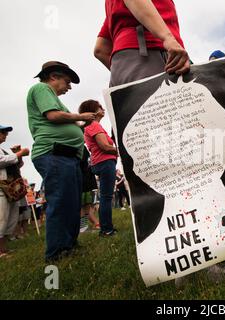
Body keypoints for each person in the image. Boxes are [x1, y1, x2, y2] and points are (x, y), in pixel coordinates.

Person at [26, 61, 97, 262]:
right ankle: (55, 253)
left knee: (72, 202)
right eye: (67, 82)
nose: (69, 87)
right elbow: (54, 116)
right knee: (60, 202)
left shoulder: (55, 97)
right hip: (53, 154)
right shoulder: (41, 88)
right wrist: (80, 116)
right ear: (53, 77)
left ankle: (69, 245)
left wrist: (81, 125)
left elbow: (66, 124)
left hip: (66, 156)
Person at [94, 0, 190, 88]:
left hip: (127, 64)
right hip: (148, 54)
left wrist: (126, 73)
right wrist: (168, 38)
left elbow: (100, 49)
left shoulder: (116, 7)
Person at [79, 100, 118, 237]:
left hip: (99, 162)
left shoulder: (90, 127)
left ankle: (107, 227)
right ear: (92, 110)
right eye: (99, 107)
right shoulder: (94, 126)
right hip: (105, 162)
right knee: (106, 197)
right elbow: (104, 146)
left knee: (105, 197)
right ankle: (106, 229)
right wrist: (120, 151)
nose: (103, 108)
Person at [0, 125, 30, 257]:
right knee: (1, 219)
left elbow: (16, 165)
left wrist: (17, 155)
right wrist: (18, 154)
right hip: (1, 189)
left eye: (5, 133)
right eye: (2, 132)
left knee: (11, 219)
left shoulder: (2, 150)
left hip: (11, 189)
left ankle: (3, 248)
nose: (5, 135)